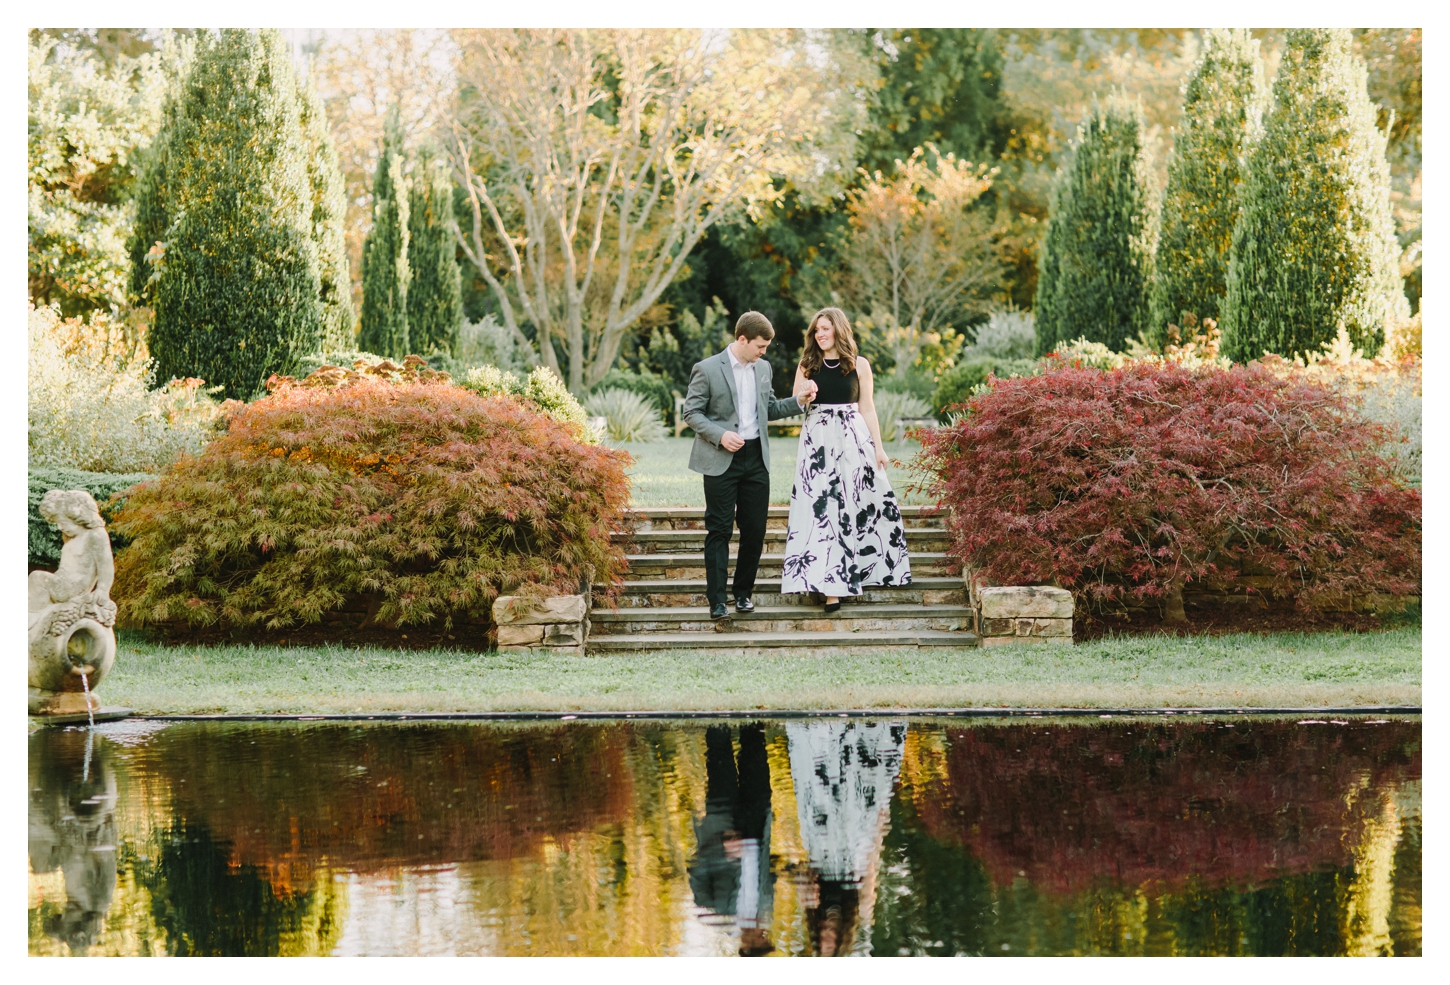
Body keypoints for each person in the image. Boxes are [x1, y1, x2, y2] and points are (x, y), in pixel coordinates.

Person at [682, 312, 817, 620]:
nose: (763, 353)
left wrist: (799, 400)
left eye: (766, 347)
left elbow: (768, 408)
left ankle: (743, 594)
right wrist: (721, 435)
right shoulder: (706, 369)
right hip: (720, 459)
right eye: (760, 346)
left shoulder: (763, 368)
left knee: (754, 531)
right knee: (718, 530)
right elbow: (691, 412)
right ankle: (717, 602)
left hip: (756, 459)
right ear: (741, 339)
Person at [781, 307, 910, 612]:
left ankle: (865, 573)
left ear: (839, 329)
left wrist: (879, 448)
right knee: (823, 511)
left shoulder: (859, 365)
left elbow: (867, 409)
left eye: (825, 328)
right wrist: (804, 396)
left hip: (853, 440)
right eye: (816, 330)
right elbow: (794, 405)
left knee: (857, 505)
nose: (820, 334)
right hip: (818, 444)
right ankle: (831, 590)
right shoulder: (806, 365)